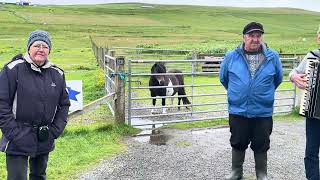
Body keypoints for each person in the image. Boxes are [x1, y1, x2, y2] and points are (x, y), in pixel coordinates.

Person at [0, 29, 70, 180]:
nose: (41, 49)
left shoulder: (57, 74)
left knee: (39, 176)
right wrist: (13, 132)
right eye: (36, 45)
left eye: (45, 46)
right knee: (17, 177)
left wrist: (54, 131)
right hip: (17, 136)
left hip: (44, 136)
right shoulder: (12, 70)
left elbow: (64, 105)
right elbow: (2, 103)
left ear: (49, 50)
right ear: (29, 48)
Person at [220, 22, 283, 180]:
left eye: (258, 36)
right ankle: (236, 172)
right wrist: (240, 93)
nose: (255, 39)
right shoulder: (231, 56)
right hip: (238, 110)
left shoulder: (272, 56)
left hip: (262, 111)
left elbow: (278, 79)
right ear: (244, 37)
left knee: (261, 143)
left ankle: (261, 174)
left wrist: (260, 93)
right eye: (251, 36)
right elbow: (224, 79)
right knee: (238, 141)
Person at [289, 26, 320, 180]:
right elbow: (293, 72)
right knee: (311, 153)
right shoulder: (313, 56)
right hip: (314, 113)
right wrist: (294, 77)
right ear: (318, 37)